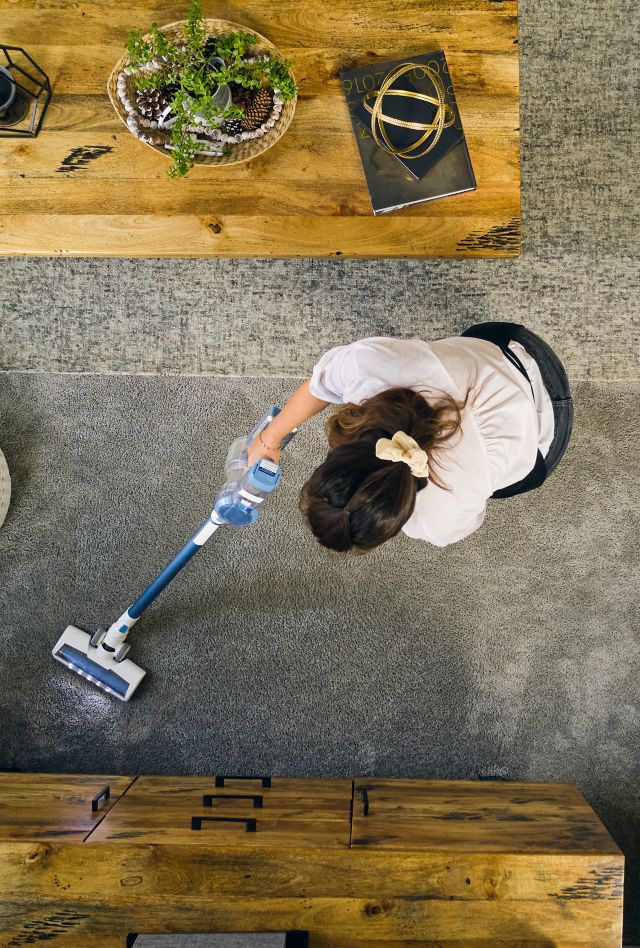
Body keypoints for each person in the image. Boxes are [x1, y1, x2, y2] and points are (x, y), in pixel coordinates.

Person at [248, 322, 573, 552]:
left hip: (546, 439)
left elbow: (474, 517)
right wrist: (268, 439)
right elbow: (322, 381)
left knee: (498, 486)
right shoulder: (370, 366)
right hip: (518, 351)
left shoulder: (437, 521)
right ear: (338, 458)